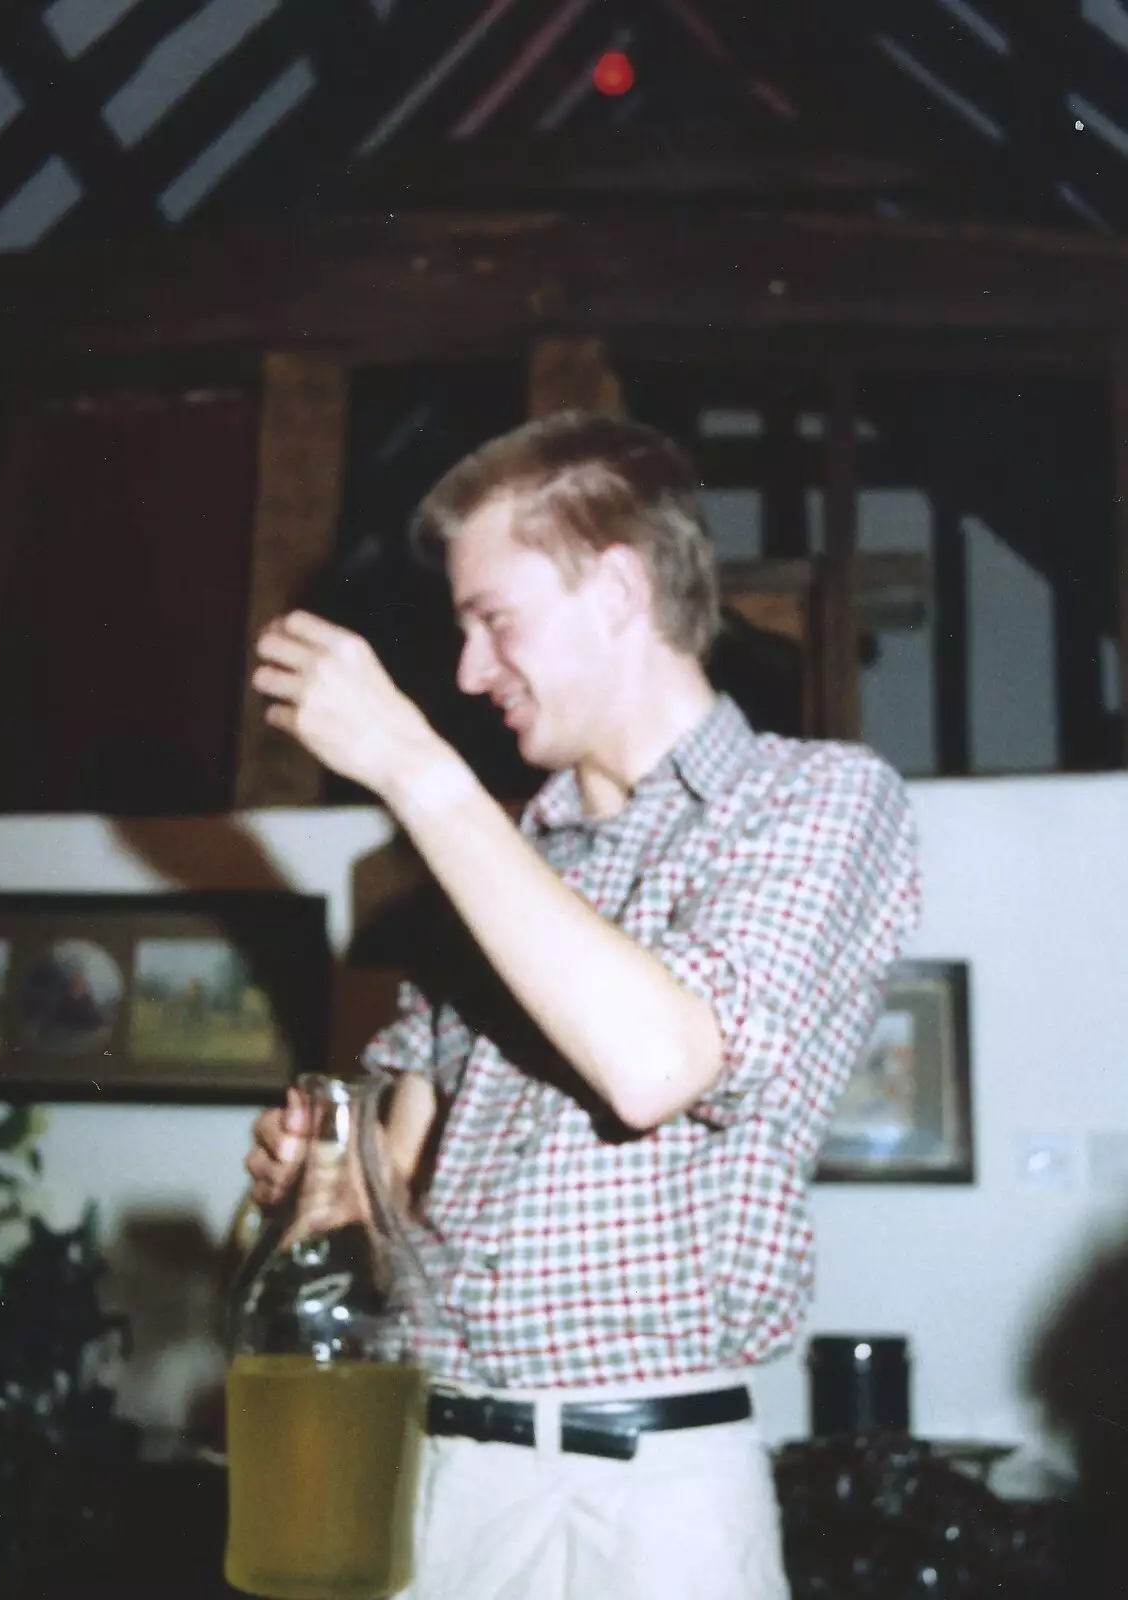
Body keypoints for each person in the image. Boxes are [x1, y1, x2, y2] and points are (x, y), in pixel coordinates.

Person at [245, 412, 921, 1600]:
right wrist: (331, 1191)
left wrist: (413, 766)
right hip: (441, 1475)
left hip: (653, 1496)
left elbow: (657, 1060)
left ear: (616, 588)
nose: (464, 673)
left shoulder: (815, 799)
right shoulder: (499, 855)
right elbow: (382, 1206)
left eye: (491, 620)